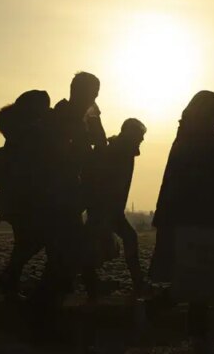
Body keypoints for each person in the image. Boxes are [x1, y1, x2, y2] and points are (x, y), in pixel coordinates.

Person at [146, 91, 214, 346]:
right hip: (200, 219)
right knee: (198, 281)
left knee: (195, 281)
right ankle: (193, 333)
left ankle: (192, 333)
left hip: (190, 219)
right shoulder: (207, 139)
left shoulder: (186, 136)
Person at [33, 72, 107, 308]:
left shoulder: (74, 116)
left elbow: (98, 143)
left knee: (69, 247)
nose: (95, 98)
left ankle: (86, 286)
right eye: (93, 93)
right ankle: (45, 305)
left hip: (66, 192)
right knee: (67, 249)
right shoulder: (66, 117)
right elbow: (81, 151)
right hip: (59, 193)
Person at [0, 90, 52, 299]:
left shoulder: (17, 130)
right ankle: (9, 279)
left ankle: (10, 281)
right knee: (34, 240)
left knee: (25, 242)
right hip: (24, 197)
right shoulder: (29, 132)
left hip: (16, 196)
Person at [82, 118, 148, 296]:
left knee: (93, 245)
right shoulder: (115, 153)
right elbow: (102, 184)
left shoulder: (122, 151)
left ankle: (94, 284)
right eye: (139, 136)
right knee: (94, 246)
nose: (142, 139)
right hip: (105, 209)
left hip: (111, 210)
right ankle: (135, 282)